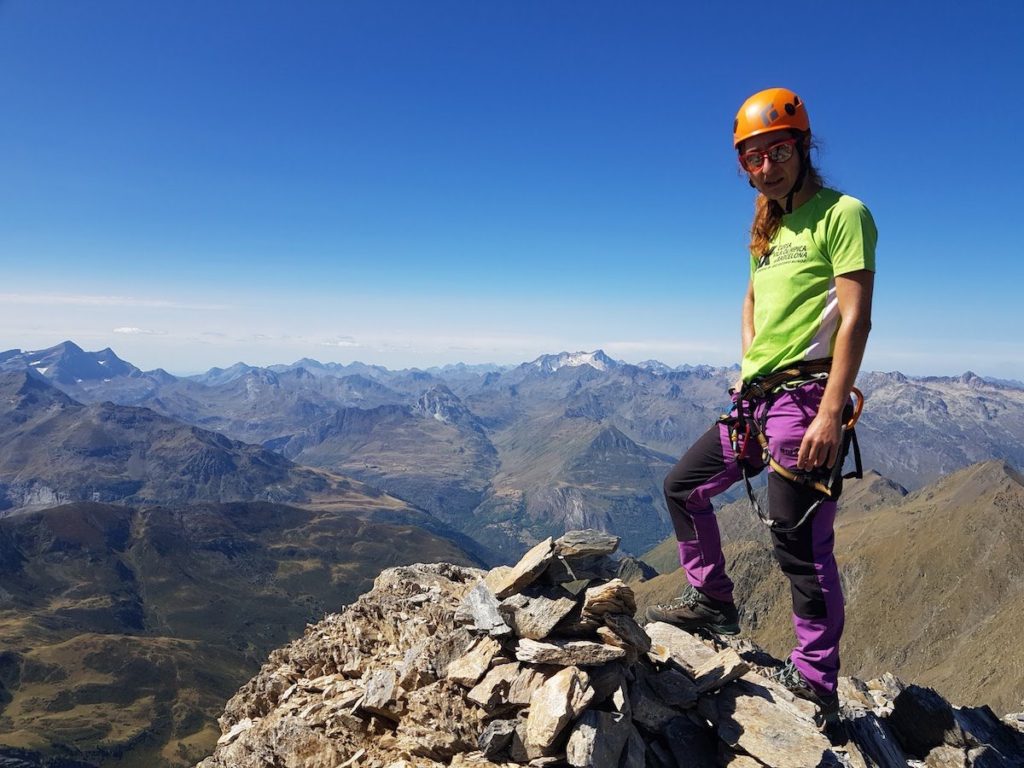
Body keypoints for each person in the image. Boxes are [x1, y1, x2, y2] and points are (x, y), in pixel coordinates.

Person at [646, 87, 876, 729]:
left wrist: (831, 413)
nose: (765, 166)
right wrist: (751, 361)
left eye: (777, 151)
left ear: (802, 147)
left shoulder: (844, 214)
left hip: (806, 401)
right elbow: (749, 302)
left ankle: (815, 682)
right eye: (751, 158)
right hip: (757, 399)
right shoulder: (765, 229)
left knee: (799, 545)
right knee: (682, 486)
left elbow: (855, 317)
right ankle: (714, 602)